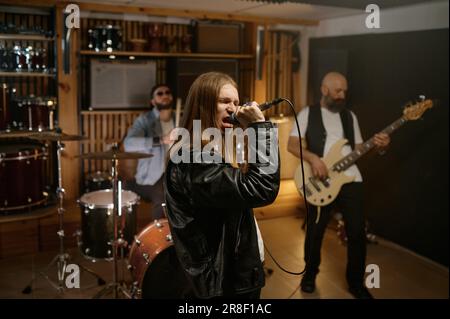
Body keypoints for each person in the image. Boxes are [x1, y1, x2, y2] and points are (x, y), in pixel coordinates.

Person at [164, 72, 280, 299]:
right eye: (224, 101)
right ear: (203, 105)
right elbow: (262, 188)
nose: (233, 109)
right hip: (221, 282)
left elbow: (245, 188)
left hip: (233, 271)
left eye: (236, 102)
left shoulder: (214, 148)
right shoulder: (192, 158)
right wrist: (259, 127)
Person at [287, 72, 390, 299]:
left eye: (344, 91)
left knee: (356, 233)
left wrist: (379, 147)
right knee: (315, 232)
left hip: (352, 180)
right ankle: (309, 276)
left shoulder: (349, 116)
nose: (342, 95)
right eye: (337, 91)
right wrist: (314, 159)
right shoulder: (308, 113)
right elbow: (292, 145)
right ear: (324, 90)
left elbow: (360, 149)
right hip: (322, 181)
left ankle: (356, 284)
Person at [123, 84, 175, 219]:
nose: (164, 95)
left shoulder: (180, 119)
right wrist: (162, 140)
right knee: (163, 195)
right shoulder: (145, 120)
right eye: (160, 94)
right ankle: (159, 236)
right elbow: (128, 144)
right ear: (153, 101)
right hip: (152, 178)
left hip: (176, 172)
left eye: (167, 92)